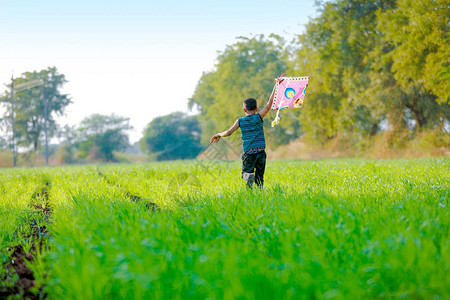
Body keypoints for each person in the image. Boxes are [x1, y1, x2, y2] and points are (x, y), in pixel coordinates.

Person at [210, 81, 278, 189]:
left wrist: (219, 134)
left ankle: (249, 177)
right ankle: (259, 194)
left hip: (249, 153)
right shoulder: (259, 116)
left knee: (245, 174)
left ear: (244, 110)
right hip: (260, 152)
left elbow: (228, 133)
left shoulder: (240, 121)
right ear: (256, 109)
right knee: (260, 177)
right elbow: (269, 104)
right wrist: (276, 85)